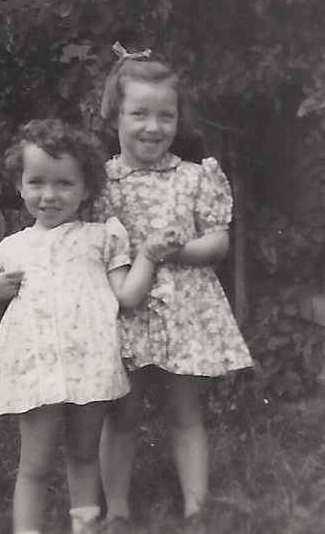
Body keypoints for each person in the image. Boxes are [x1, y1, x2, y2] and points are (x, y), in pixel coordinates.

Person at [0, 119, 180, 534]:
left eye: (64, 184)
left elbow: (125, 298)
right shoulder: (8, 251)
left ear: (86, 189)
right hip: (37, 369)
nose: (49, 195)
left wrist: (150, 256)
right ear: (20, 185)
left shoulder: (101, 238)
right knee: (34, 463)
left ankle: (84, 528)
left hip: (91, 364)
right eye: (36, 182)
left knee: (84, 454)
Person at [93, 42, 254, 525]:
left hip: (187, 311)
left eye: (166, 115)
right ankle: (117, 510)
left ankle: (196, 507)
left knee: (186, 412)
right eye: (139, 113)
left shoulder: (194, 177)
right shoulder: (100, 186)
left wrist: (173, 251)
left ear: (178, 119)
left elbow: (218, 244)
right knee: (121, 416)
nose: (153, 127)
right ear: (114, 117)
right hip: (127, 310)